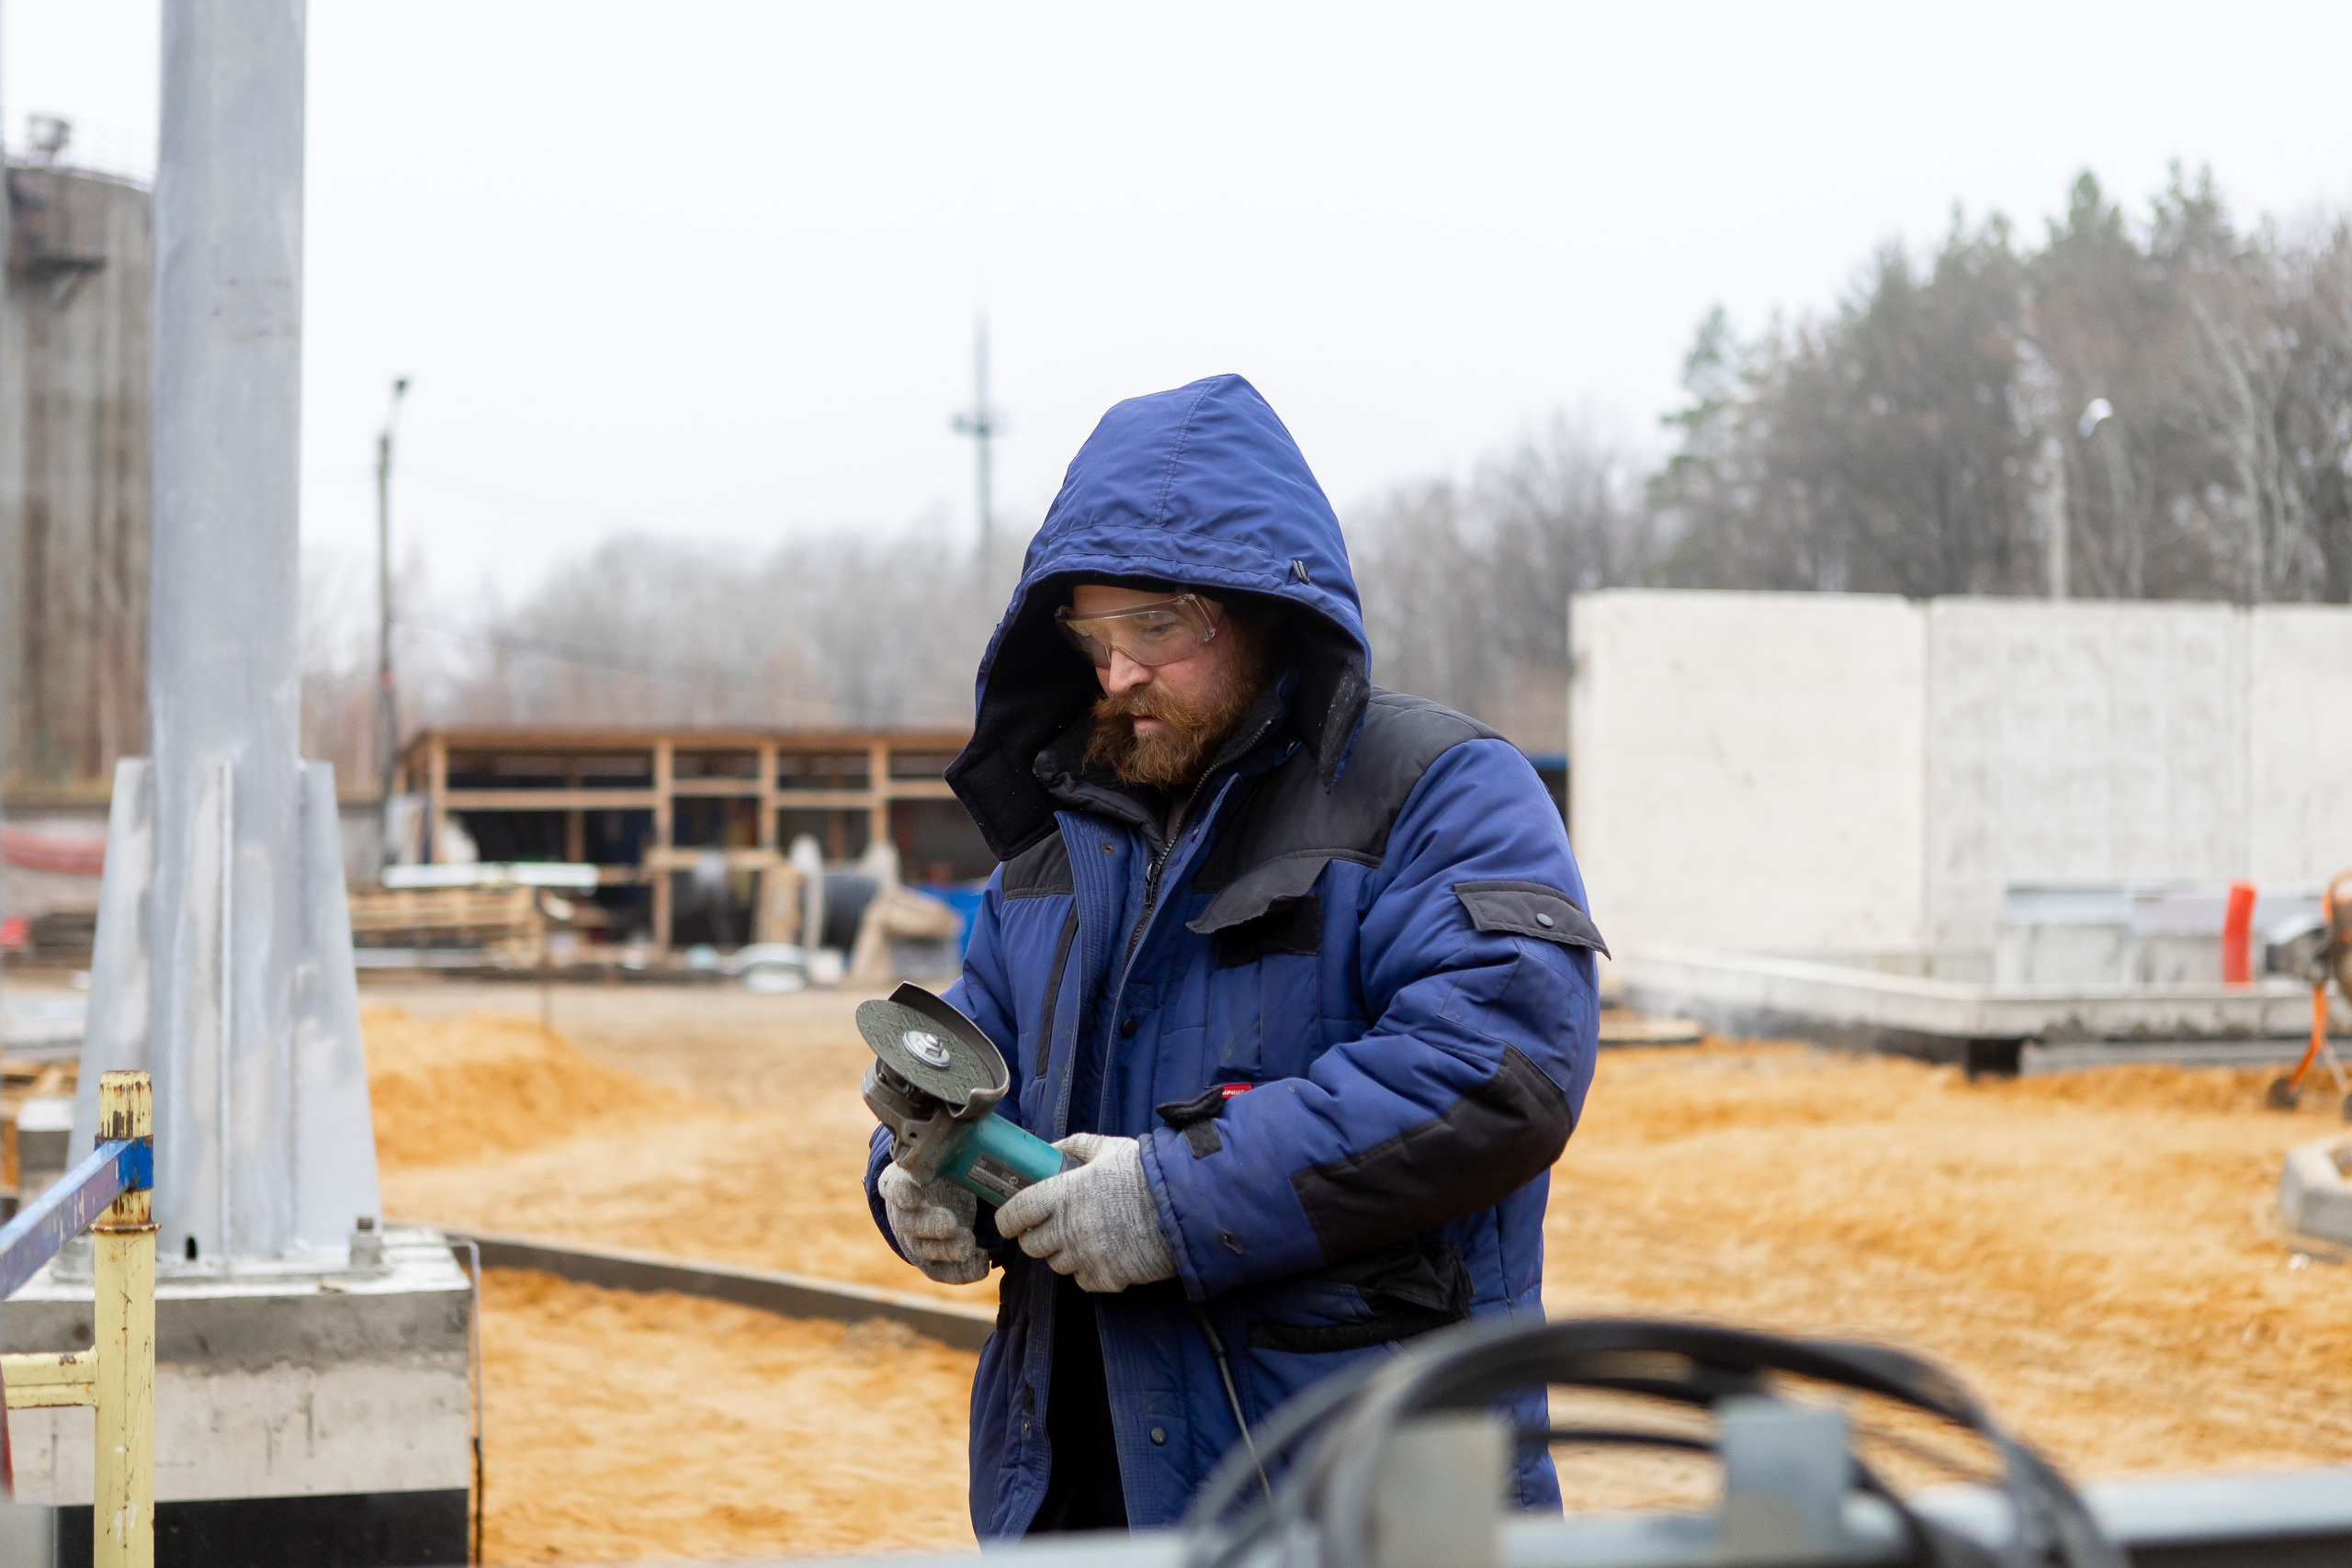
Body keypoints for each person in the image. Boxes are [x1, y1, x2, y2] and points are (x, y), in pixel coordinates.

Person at [863, 373, 1603, 1537]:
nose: (1117, 674)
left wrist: (1173, 1197)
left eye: (1156, 627)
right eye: (1091, 635)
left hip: (1359, 1494)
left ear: (1268, 608)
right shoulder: (1055, 845)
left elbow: (1495, 1073)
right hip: (1075, 1500)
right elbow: (974, 1055)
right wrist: (911, 1177)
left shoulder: (1437, 793)